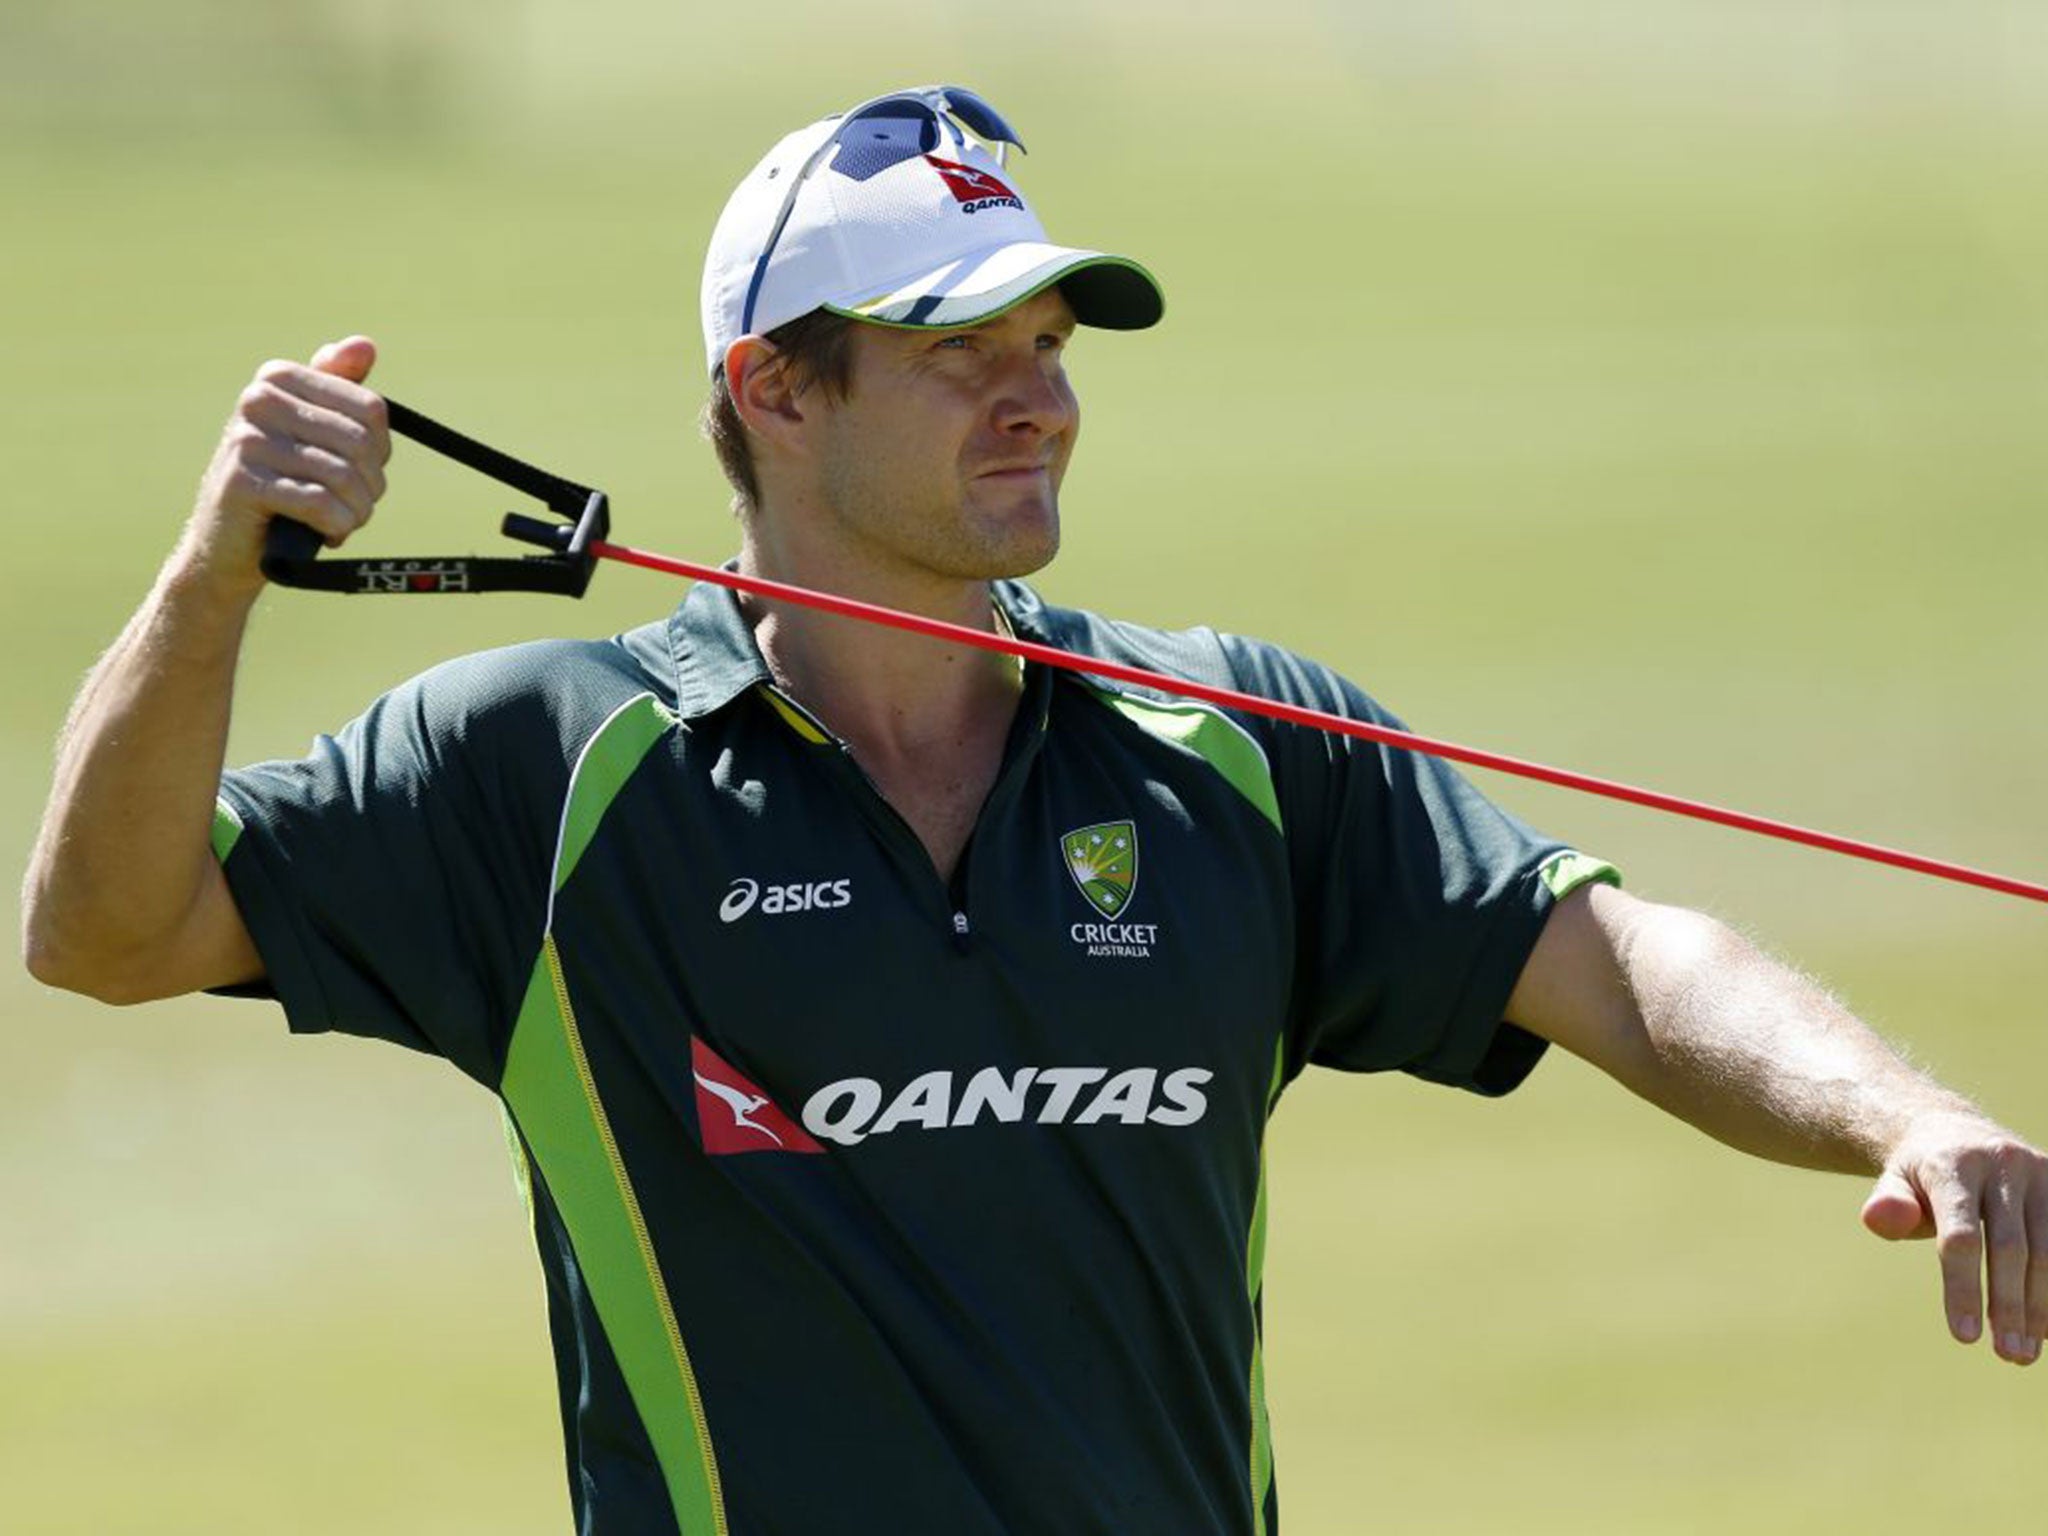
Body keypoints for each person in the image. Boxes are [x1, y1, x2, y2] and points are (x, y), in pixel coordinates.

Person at [22, 84, 2045, 1535]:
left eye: (1052, 343)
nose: (1040, 397)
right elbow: (102, 933)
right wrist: (210, 586)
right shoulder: (552, 771)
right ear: (775, 391)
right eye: (957, 347)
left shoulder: (1227, 740)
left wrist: (1902, 1111)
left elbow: (1613, 959)